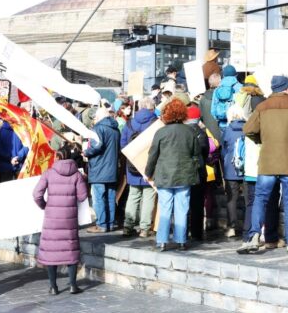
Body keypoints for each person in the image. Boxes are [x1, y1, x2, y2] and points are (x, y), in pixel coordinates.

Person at [238, 76, 288, 254]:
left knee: (261, 198)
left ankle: (254, 236)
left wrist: (261, 140)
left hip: (268, 160)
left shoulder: (262, 106)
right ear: (287, 89)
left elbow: (248, 129)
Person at [145, 99, 201, 251]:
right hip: (184, 175)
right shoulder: (190, 131)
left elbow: (153, 155)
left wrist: (148, 173)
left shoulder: (161, 132)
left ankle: (162, 241)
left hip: (164, 175)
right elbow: (196, 154)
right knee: (182, 209)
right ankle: (181, 240)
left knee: (165, 208)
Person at [33, 145, 88, 295]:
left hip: (52, 218)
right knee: (70, 250)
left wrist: (45, 206)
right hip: (69, 219)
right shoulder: (76, 175)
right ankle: (73, 286)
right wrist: (83, 181)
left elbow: (36, 194)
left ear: (56, 157)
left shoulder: (48, 173)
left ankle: (53, 287)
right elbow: (83, 197)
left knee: (52, 251)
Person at [121, 97, 158, 238]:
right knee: (148, 196)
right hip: (151, 165)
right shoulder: (155, 123)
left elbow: (123, 144)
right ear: (152, 108)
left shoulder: (130, 123)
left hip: (133, 165)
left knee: (133, 195)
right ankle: (144, 228)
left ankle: (128, 226)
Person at [84, 106, 120, 233]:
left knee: (99, 198)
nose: (94, 120)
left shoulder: (98, 128)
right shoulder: (115, 129)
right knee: (110, 197)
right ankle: (110, 223)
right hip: (112, 168)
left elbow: (97, 146)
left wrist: (86, 152)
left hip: (99, 168)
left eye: (95, 117)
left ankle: (101, 224)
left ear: (98, 117)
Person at [186, 105, 213, 242]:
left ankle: (183, 231)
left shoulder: (183, 132)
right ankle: (196, 233)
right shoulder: (202, 133)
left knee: (184, 202)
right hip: (199, 171)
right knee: (197, 203)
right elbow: (205, 152)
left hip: (185, 171)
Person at [221, 106, 248, 238]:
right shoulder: (248, 128)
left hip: (231, 167)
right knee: (249, 198)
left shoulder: (227, 130)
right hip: (247, 167)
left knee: (232, 198)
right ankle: (249, 226)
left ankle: (232, 227)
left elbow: (223, 150)